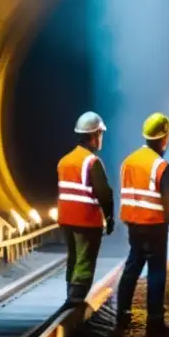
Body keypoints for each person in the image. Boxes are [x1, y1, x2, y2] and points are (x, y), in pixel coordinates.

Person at [116, 112, 169, 336]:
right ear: (164, 138)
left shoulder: (128, 162)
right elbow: (168, 199)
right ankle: (155, 323)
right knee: (156, 272)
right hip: (155, 225)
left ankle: (122, 316)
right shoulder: (162, 166)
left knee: (132, 267)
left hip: (133, 224)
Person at [56, 111, 115, 309]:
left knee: (73, 257)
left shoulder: (64, 161)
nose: (101, 139)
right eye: (100, 134)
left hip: (66, 219)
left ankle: (70, 295)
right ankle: (76, 300)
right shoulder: (92, 162)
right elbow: (104, 193)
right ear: (94, 135)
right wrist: (109, 216)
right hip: (86, 220)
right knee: (85, 259)